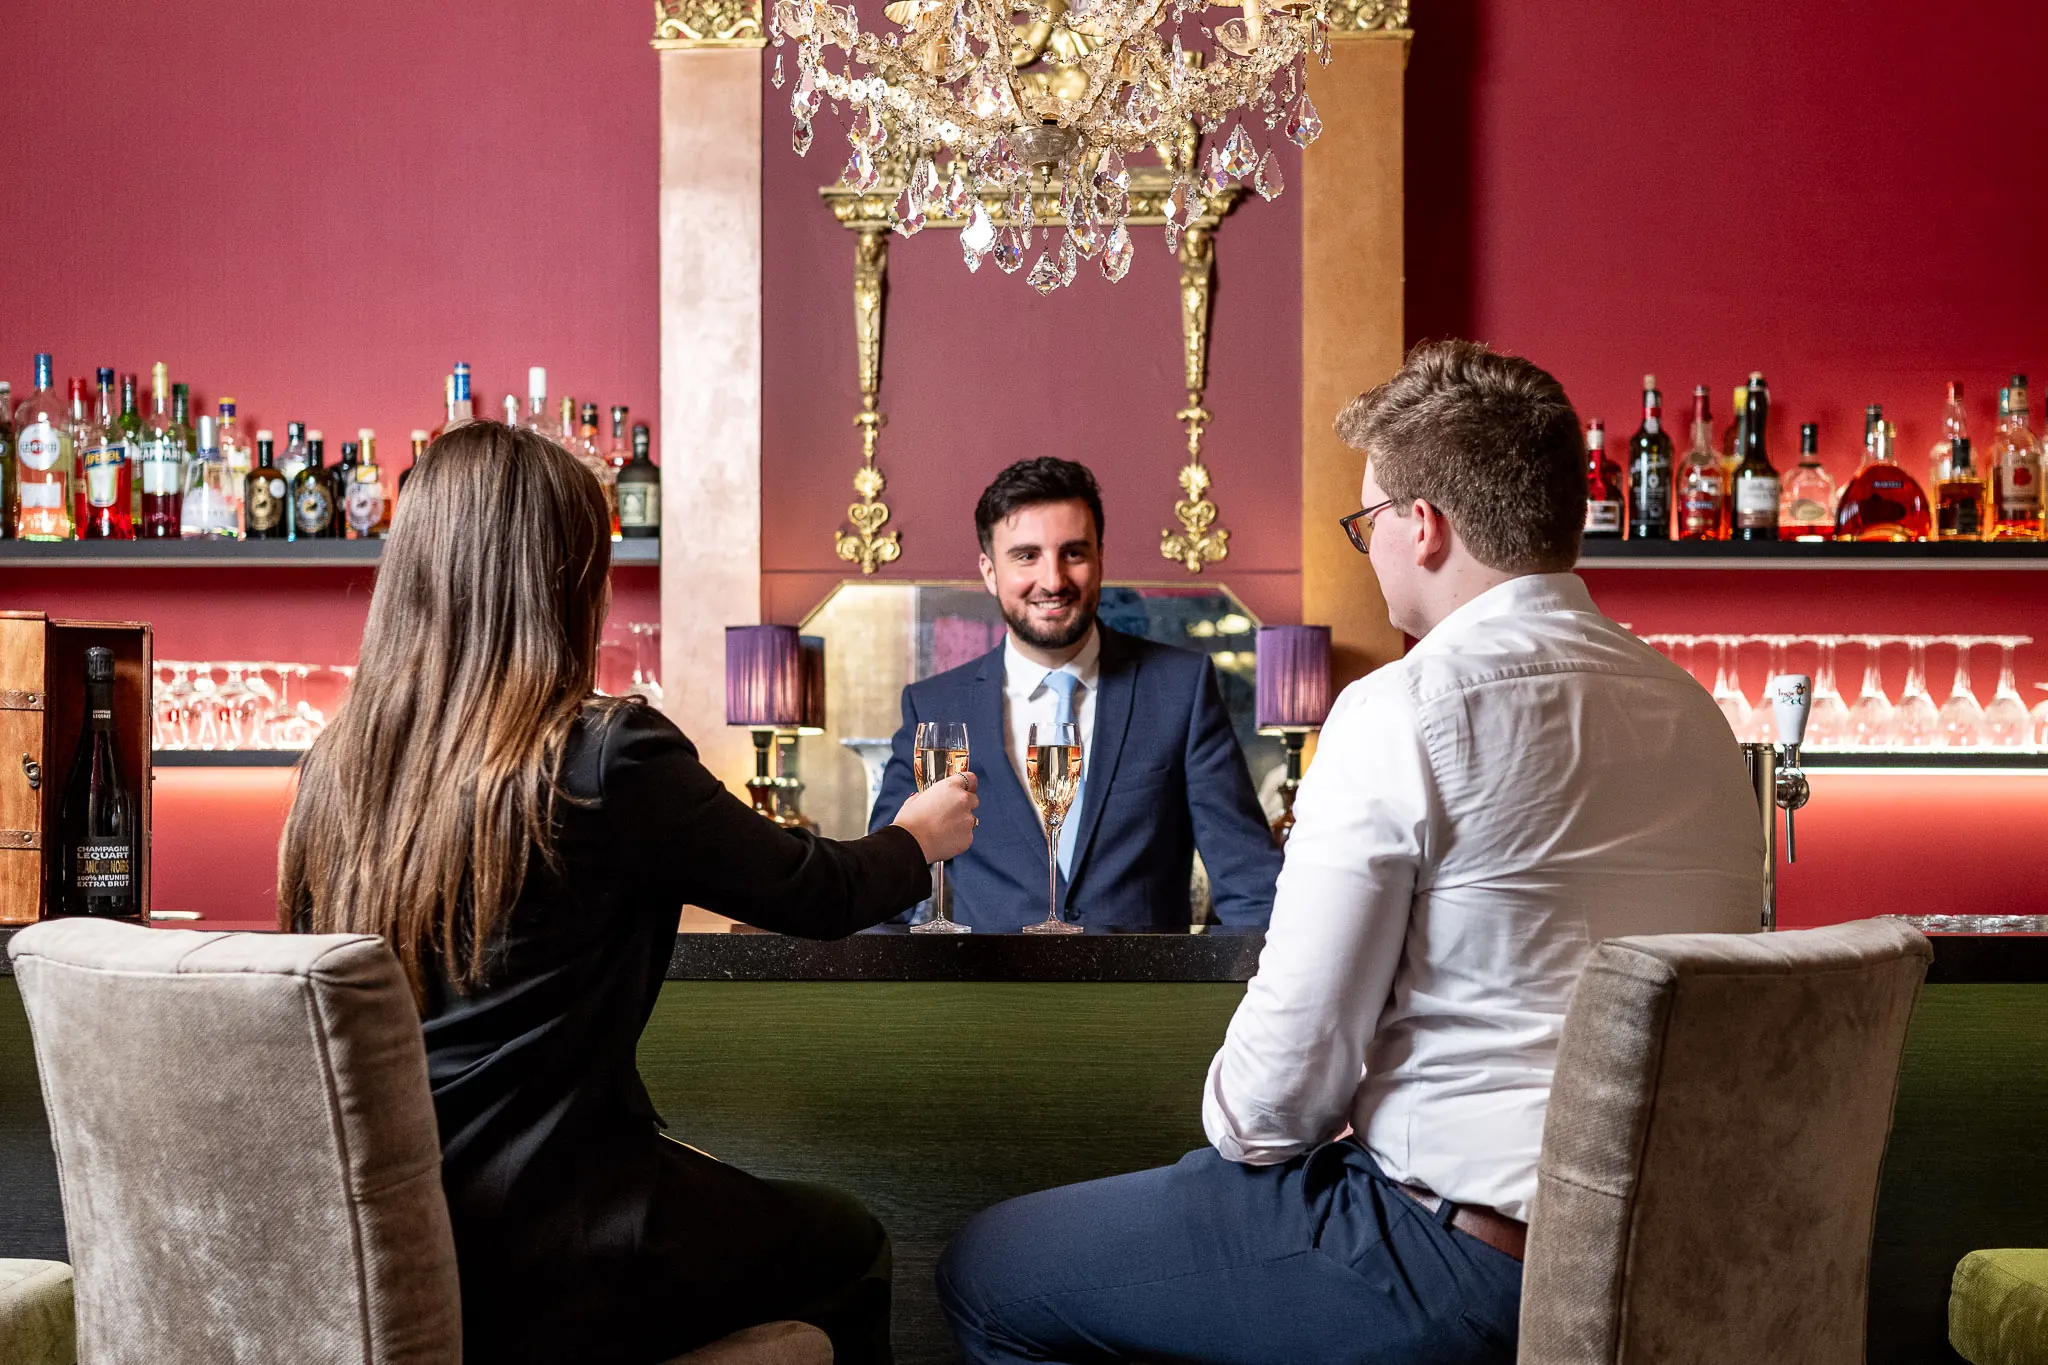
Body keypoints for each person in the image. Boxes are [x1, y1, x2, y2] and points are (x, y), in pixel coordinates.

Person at [934, 342, 1765, 1363]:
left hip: (1454, 1274)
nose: (1366, 546)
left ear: (1422, 528)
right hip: (1679, 1274)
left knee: (989, 1268)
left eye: (1366, 520)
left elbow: (1274, 1101)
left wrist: (1268, 1122)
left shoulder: (1400, 710)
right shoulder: (1696, 716)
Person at [277, 421, 978, 1365]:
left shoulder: (337, 762)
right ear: (565, 579)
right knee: (853, 1241)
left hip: (388, 1249)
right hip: (560, 1243)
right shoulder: (607, 754)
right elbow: (813, 891)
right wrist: (917, 836)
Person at [869, 457, 1281, 931]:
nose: (1053, 581)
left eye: (1074, 553)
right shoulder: (935, 708)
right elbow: (879, 898)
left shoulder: (1180, 690)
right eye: (1026, 556)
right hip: (981, 1003)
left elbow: (1253, 894)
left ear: (1100, 558)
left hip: (1144, 1002)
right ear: (989, 571)